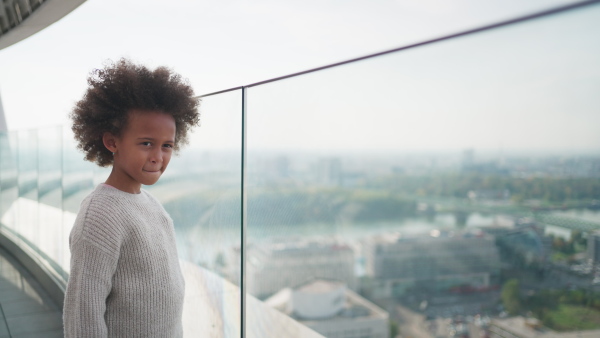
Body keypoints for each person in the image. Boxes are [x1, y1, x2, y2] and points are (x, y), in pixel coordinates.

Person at [63, 59, 200, 337]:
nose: (157, 157)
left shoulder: (152, 205)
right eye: (146, 143)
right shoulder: (99, 215)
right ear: (112, 142)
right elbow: (82, 316)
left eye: (167, 146)